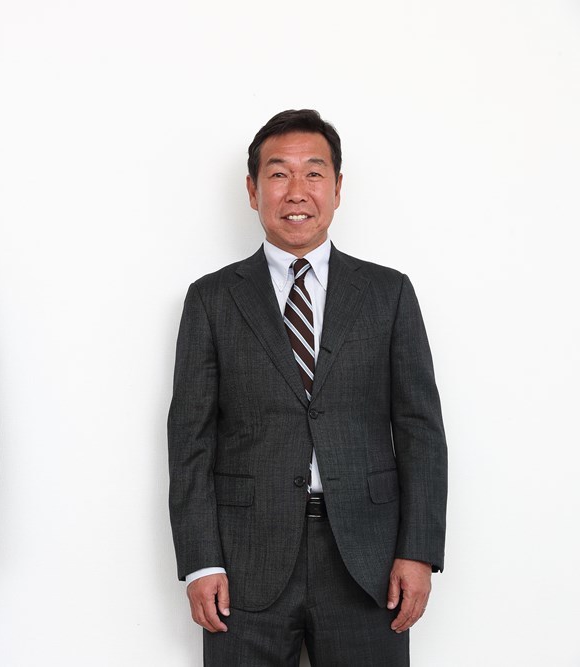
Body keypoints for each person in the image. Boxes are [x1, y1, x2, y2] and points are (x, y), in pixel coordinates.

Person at [167, 109, 447, 666]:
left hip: (369, 561)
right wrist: (201, 561)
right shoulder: (211, 299)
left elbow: (420, 430)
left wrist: (418, 550)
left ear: (338, 188)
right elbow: (190, 440)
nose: (297, 191)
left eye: (314, 173)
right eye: (278, 174)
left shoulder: (388, 293)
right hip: (244, 562)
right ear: (253, 190)